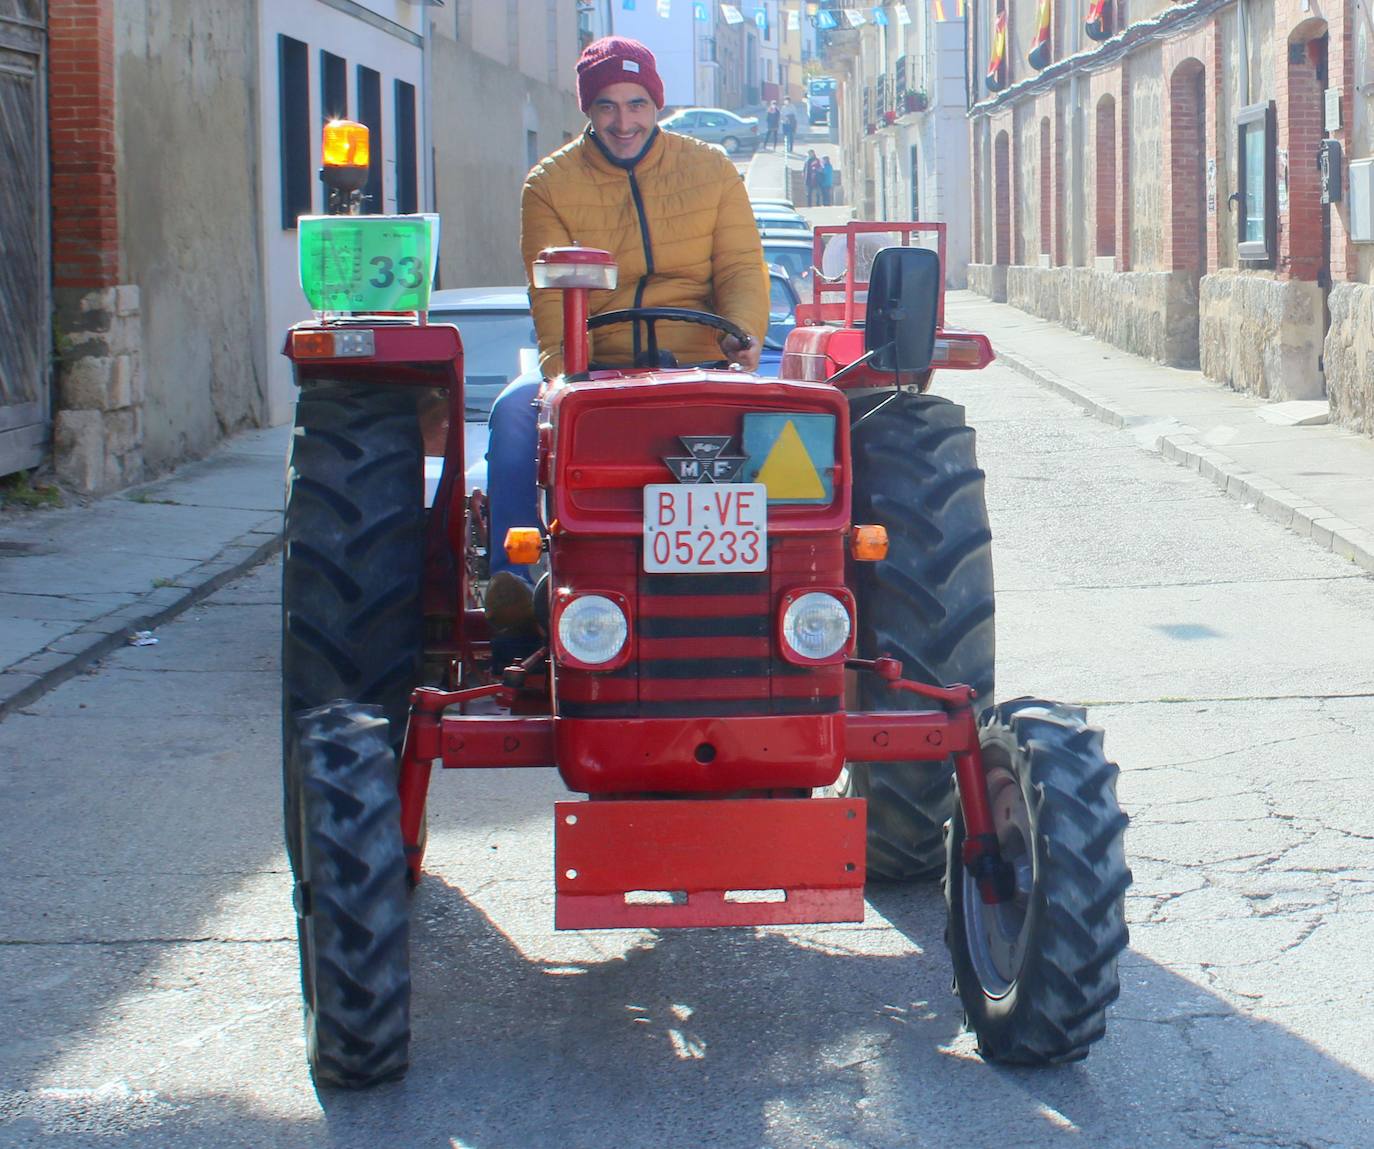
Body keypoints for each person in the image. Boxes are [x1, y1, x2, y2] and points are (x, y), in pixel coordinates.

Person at [484, 36, 770, 637]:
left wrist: (743, 334)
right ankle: (517, 585)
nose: (623, 122)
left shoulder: (712, 169)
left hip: (700, 361)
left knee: (795, 434)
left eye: (636, 103)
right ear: (588, 109)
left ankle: (798, 585)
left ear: (656, 104)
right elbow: (550, 293)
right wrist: (567, 376)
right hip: (595, 364)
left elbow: (741, 267)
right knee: (513, 418)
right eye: (607, 105)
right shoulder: (549, 184)